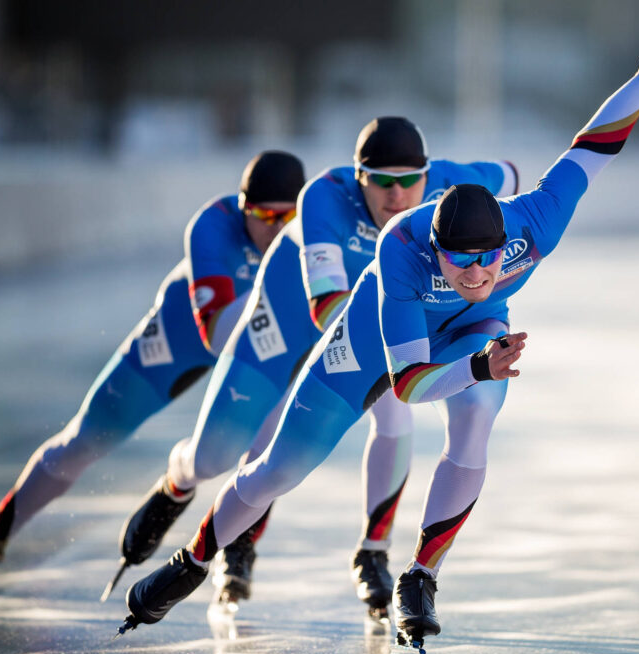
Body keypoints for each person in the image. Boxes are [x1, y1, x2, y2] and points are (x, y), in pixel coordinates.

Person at [118, 26, 639, 643]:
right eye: (459, 261)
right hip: (369, 341)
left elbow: (593, 147)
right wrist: (477, 367)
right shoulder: (402, 253)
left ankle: (420, 575)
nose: (476, 273)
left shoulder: (539, 221)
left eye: (489, 260)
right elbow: (409, 387)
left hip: (473, 330)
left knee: (477, 417)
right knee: (276, 473)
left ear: (509, 243)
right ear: (435, 248)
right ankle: (193, 561)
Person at [114, 116, 519, 613]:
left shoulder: (450, 185)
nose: (398, 196)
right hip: (295, 310)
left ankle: (372, 554)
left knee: (395, 415)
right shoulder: (325, 197)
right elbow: (327, 309)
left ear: (428, 176)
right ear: (358, 178)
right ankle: (181, 479)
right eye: (382, 182)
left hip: (376, 313)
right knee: (219, 454)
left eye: (410, 181)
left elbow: (511, 178)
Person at [0, 151, 306, 603]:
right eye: (263, 215)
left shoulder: (310, 240)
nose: (276, 228)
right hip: (184, 335)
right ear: (242, 209)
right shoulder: (212, 226)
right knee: (84, 441)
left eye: (287, 216)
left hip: (259, 344)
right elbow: (219, 337)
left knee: (273, 436)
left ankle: (238, 546)